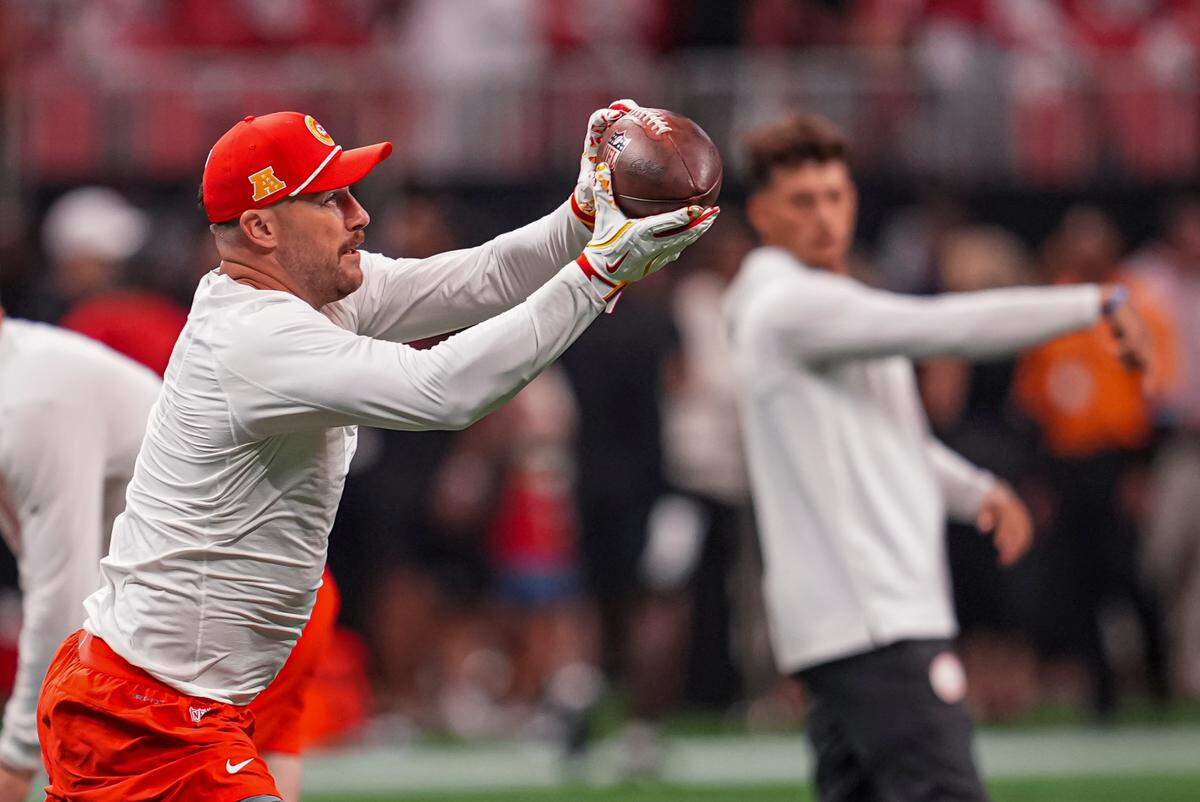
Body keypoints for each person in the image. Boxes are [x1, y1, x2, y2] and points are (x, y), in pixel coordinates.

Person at [35, 105, 716, 801]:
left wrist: (582, 216)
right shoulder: (252, 336)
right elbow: (443, 390)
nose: (359, 215)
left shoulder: (307, 296)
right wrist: (600, 274)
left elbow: (478, 278)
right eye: (330, 199)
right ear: (262, 228)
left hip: (162, 698)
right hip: (147, 714)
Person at [722, 113, 1150, 802]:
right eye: (802, 202)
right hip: (875, 620)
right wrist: (1089, 304)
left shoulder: (823, 304)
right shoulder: (788, 305)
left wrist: (974, 490)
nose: (824, 217)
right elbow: (946, 326)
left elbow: (887, 437)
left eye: (835, 196)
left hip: (853, 624)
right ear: (763, 215)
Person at [0, 310, 161, 802]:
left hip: (223, 601)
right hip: (174, 608)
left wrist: (16, 757)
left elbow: (63, 599)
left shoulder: (30, 403)